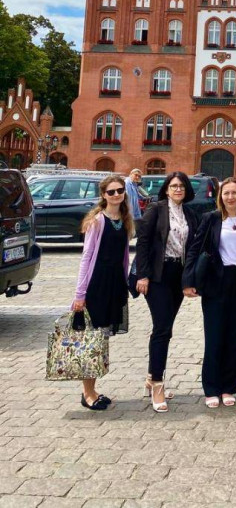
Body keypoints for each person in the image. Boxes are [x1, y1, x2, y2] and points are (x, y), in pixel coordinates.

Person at [183, 176, 236, 409]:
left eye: (234, 193)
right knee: (214, 336)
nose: (230, 197)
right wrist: (188, 280)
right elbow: (194, 249)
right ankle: (211, 388)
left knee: (235, 336)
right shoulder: (211, 218)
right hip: (216, 281)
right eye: (226, 193)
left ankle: (228, 387)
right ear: (220, 196)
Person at [135, 171, 199, 412]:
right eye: (173, 186)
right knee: (162, 328)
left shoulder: (189, 214)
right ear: (166, 189)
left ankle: (151, 377)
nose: (178, 189)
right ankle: (157, 384)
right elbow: (143, 242)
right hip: (158, 276)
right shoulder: (156, 209)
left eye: (181, 186)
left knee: (166, 328)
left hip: (177, 276)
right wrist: (143, 275)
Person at [71, 175, 134, 410]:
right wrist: (80, 294)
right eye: (111, 192)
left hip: (114, 284)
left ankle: (93, 389)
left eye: (120, 190)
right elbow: (86, 257)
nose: (116, 195)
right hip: (97, 285)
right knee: (92, 340)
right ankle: (87, 393)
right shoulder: (97, 221)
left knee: (102, 339)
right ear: (103, 195)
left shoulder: (124, 220)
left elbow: (124, 256)